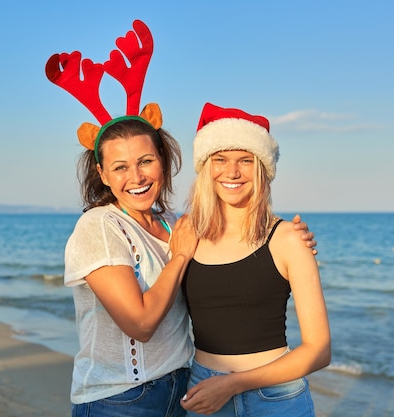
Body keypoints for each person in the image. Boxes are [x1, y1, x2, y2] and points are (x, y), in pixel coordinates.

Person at [46, 20, 318, 417]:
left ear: (164, 161)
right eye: (119, 167)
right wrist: (178, 259)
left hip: (183, 391)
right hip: (119, 399)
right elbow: (140, 324)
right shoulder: (99, 227)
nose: (136, 177)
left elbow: (236, 227)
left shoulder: (178, 224)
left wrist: (292, 238)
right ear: (102, 174)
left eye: (145, 161)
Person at [180, 103, 331, 416]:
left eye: (245, 160)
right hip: (202, 391)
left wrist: (233, 384)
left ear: (262, 167)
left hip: (276, 397)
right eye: (220, 159)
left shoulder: (288, 238)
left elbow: (319, 350)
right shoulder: (186, 233)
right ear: (206, 166)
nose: (232, 172)